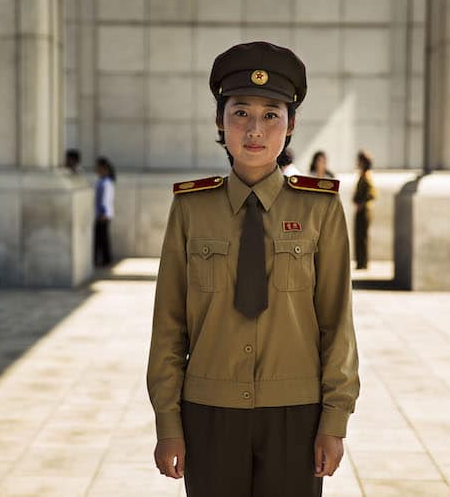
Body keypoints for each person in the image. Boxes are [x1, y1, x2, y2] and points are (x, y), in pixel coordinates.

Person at [147, 41, 359, 497]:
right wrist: (168, 421)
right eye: (240, 112)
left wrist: (335, 419)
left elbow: (337, 322)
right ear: (220, 122)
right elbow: (169, 324)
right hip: (208, 412)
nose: (255, 130)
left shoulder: (319, 207)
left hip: (296, 414)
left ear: (292, 125)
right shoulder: (191, 209)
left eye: (271, 114)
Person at [352, 150, 376, 270]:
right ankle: (360, 262)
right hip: (360, 210)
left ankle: (363, 262)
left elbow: (372, 194)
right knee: (359, 236)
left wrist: (361, 203)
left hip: (364, 211)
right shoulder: (363, 175)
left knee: (363, 237)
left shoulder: (367, 176)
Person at [94, 156, 115, 267]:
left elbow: (105, 200)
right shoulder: (102, 181)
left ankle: (105, 259)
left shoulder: (106, 183)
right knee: (101, 238)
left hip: (103, 215)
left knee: (102, 238)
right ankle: (103, 259)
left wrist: (103, 213)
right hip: (102, 214)